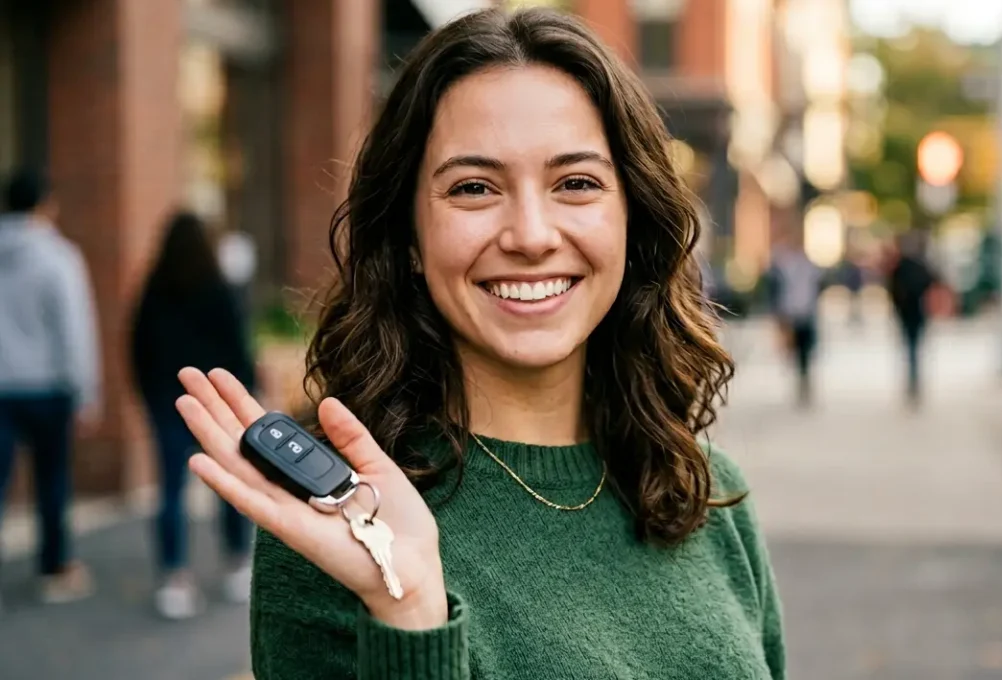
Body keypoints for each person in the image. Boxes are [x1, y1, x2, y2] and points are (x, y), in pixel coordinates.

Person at [172, 8, 785, 679]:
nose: (530, 234)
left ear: (631, 217)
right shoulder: (345, 522)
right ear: (408, 236)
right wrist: (406, 615)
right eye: (473, 188)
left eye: (575, 183)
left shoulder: (704, 485)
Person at [130, 210, 258, 620]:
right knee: (229, 485)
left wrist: (149, 396)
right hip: (216, 404)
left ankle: (174, 578)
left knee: (170, 491)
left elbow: (137, 348)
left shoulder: (154, 290)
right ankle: (238, 562)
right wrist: (247, 396)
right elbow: (238, 347)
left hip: (169, 403)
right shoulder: (218, 288)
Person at [0, 168, 100, 605]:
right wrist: (86, 393)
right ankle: (54, 567)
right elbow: (74, 331)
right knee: (53, 480)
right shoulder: (59, 256)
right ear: (45, 204)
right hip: (48, 388)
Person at [765, 238, 825, 407]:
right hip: (791, 314)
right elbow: (775, 291)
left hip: (807, 313)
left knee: (807, 349)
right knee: (796, 351)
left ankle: (805, 380)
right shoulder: (783, 267)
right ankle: (801, 380)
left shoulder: (810, 268)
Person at [886, 231, 938, 407]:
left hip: (909, 313)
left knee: (911, 348)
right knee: (914, 348)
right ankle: (914, 381)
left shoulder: (902, 267)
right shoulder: (918, 265)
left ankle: (913, 381)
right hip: (916, 313)